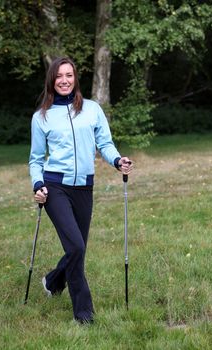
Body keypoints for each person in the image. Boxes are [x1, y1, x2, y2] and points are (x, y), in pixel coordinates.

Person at [29, 56, 133, 324]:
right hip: (55, 187)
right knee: (75, 246)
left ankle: (53, 282)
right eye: (59, 76)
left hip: (84, 187)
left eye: (69, 75)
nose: (64, 80)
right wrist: (38, 185)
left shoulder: (92, 109)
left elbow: (105, 144)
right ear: (52, 81)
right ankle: (84, 315)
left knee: (78, 248)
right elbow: (36, 160)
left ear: (75, 79)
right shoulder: (41, 117)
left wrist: (117, 160)